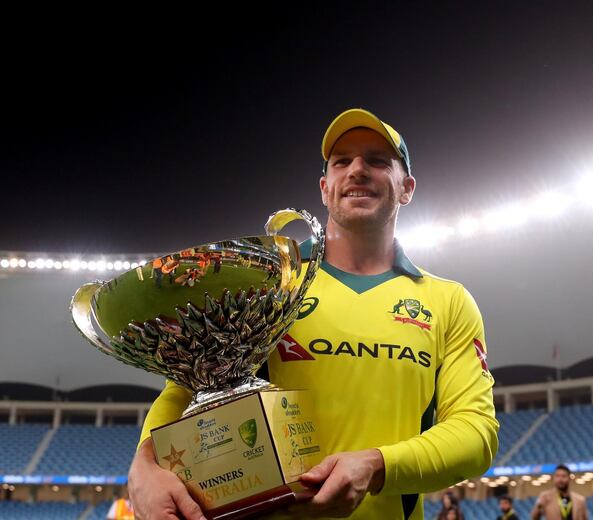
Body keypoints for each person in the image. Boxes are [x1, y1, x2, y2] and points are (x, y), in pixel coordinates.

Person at [127, 108, 500, 520]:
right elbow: (182, 391)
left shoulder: (447, 301)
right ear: (325, 188)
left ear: (407, 187)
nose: (357, 169)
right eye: (342, 161)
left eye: (377, 160)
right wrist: (144, 466)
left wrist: (377, 465)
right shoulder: (265, 286)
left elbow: (476, 432)